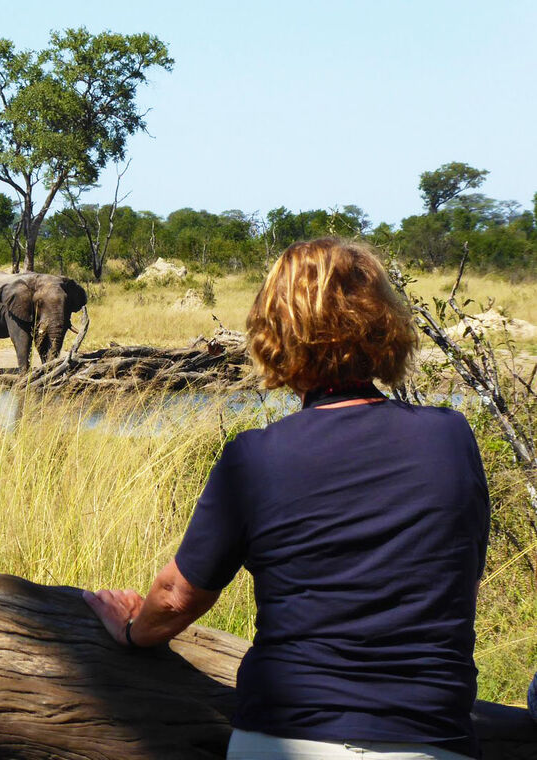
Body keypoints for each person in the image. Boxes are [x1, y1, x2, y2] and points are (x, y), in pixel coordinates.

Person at [85, 238, 489, 759]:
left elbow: (177, 597)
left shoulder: (256, 456)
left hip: (287, 735)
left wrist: (132, 632)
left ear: (274, 334)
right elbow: (463, 578)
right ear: (383, 324)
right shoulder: (450, 437)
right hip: (432, 736)